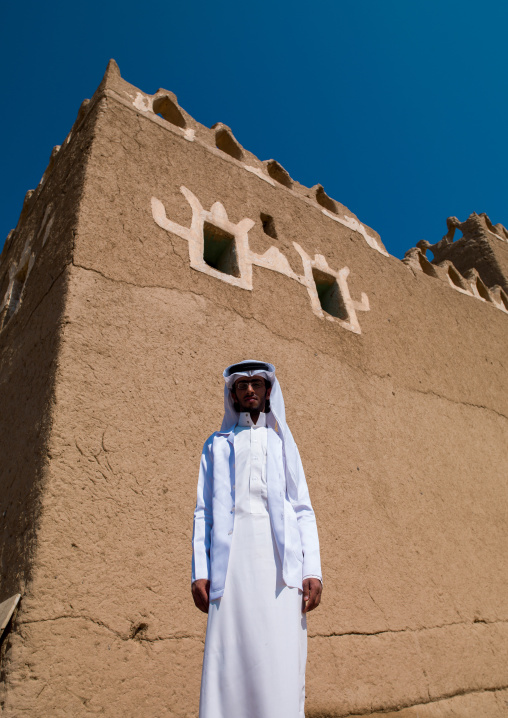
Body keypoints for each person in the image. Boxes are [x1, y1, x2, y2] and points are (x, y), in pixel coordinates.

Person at [192, 359, 322, 718]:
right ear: (233, 394)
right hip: (230, 563)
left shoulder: (283, 444)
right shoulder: (215, 445)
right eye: (242, 385)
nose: (250, 390)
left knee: (280, 654)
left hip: (281, 564)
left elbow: (302, 508)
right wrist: (199, 571)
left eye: (257, 384)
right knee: (230, 655)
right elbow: (203, 511)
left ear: (267, 392)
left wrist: (313, 569)